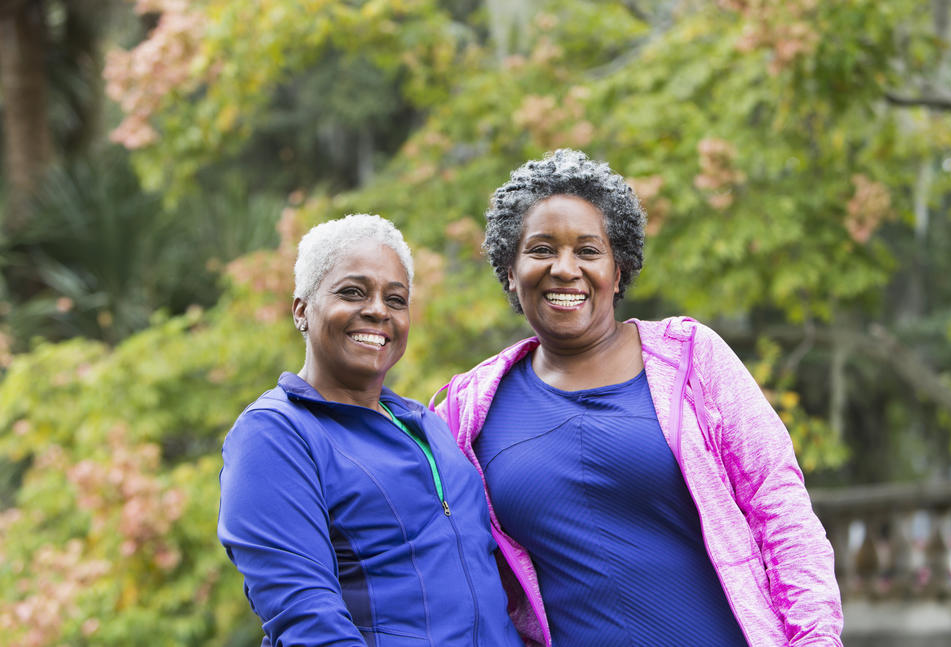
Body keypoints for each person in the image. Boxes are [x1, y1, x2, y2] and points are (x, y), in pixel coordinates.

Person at [431, 149, 844, 647]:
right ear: (511, 272)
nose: (565, 268)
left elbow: (780, 509)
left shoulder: (692, 359)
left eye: (588, 251)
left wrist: (816, 639)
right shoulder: (466, 411)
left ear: (618, 270)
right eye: (541, 250)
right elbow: (444, 563)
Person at [218, 214, 524, 647]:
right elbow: (305, 616)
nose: (378, 310)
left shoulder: (427, 425)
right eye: (352, 292)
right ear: (302, 310)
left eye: (395, 299)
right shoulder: (275, 433)